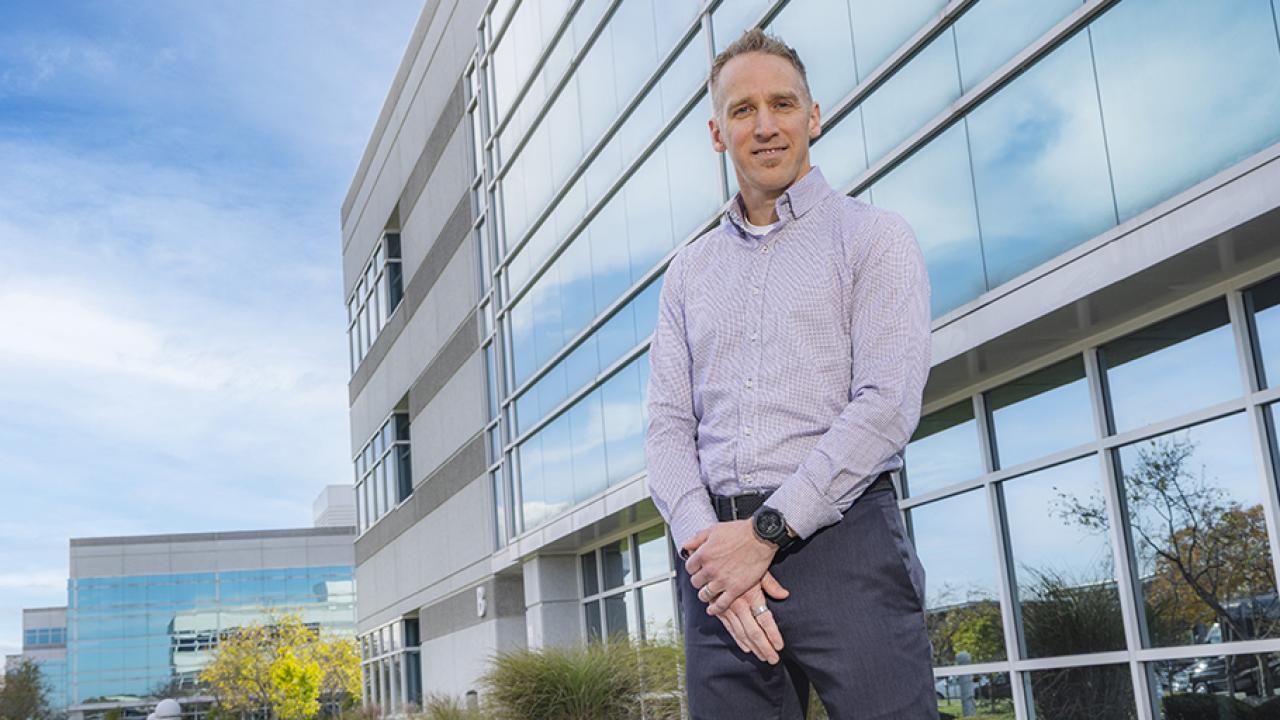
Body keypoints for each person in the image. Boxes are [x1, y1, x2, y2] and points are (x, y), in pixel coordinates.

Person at [643, 28, 936, 719]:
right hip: (715, 568)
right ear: (719, 133)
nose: (765, 125)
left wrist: (765, 536)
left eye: (782, 104)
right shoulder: (688, 272)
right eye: (743, 110)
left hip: (845, 547)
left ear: (815, 116)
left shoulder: (874, 238)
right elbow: (665, 429)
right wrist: (711, 553)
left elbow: (886, 407)